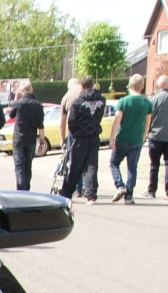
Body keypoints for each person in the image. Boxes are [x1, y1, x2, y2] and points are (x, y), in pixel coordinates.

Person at [59, 74, 107, 203]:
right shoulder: (101, 100)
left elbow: (71, 122)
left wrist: (75, 133)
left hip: (80, 137)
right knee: (92, 165)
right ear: (93, 85)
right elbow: (100, 115)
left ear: (81, 86)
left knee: (75, 165)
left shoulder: (78, 103)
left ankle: (67, 192)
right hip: (94, 136)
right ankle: (91, 194)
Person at [109, 74, 152, 204]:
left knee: (114, 163)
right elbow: (147, 122)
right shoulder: (147, 103)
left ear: (130, 85)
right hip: (137, 139)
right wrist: (144, 135)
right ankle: (129, 196)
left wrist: (112, 138)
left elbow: (117, 120)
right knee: (132, 167)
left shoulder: (123, 101)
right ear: (142, 86)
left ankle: (120, 185)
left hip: (122, 137)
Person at [9, 82, 46, 191]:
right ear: (32, 90)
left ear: (21, 91)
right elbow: (40, 125)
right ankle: (27, 188)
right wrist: (42, 141)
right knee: (28, 165)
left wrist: (16, 99)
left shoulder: (19, 103)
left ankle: (21, 187)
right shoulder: (38, 105)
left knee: (19, 165)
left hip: (18, 139)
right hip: (31, 139)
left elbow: (11, 115)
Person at [58, 76, 81, 148]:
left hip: (75, 132)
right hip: (91, 132)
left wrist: (62, 139)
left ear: (69, 87)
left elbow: (62, 122)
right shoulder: (87, 92)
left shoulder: (66, 97)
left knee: (74, 157)